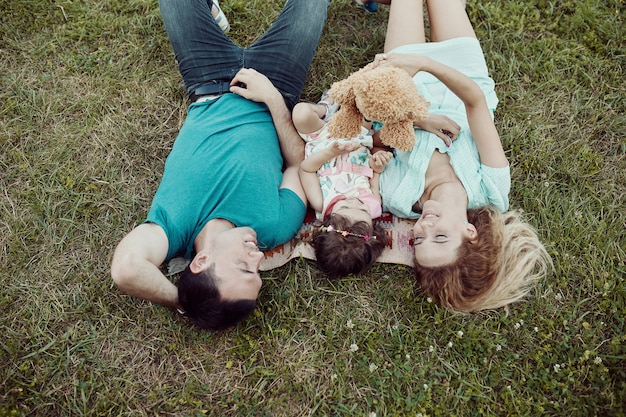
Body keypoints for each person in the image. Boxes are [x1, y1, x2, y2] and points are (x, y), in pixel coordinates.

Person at [110, 0, 330, 331]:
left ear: (201, 261)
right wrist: (270, 97)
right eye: (256, 272)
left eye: (244, 267)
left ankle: (210, 12)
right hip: (277, 83)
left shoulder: (172, 231)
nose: (258, 258)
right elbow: (300, 163)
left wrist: (186, 303)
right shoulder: (274, 227)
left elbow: (126, 269)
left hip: (208, 78)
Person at [369, 0, 551, 312]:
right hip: (462, 76)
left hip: (403, 88)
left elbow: (372, 137)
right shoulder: (491, 191)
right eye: (439, 238)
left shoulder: (397, 197)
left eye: (418, 241)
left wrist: (418, 120)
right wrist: (425, 63)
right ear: (470, 233)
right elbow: (476, 103)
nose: (424, 229)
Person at [292, 94, 392, 279]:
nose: (354, 201)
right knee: (365, 103)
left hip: (322, 139)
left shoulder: (321, 202)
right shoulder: (374, 204)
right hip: (357, 138)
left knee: (300, 114)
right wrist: (377, 164)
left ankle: (326, 107)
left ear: (327, 219)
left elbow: (305, 170)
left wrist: (331, 152)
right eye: (362, 209)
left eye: (345, 207)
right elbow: (374, 173)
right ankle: (351, 102)